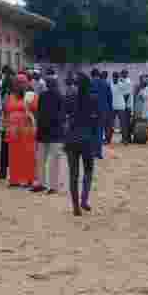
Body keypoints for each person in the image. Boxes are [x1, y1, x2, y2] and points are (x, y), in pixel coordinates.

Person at [64, 73, 99, 216]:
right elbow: (96, 122)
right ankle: (84, 200)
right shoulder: (93, 100)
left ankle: (75, 206)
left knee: (73, 174)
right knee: (88, 171)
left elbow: (65, 118)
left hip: (72, 140)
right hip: (87, 140)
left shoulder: (71, 98)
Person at [2, 73, 38, 188]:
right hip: (13, 131)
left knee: (28, 154)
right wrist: (6, 127)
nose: (20, 85)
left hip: (27, 130)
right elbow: (6, 112)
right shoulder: (10, 96)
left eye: (23, 83)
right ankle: (15, 179)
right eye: (18, 83)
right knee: (14, 155)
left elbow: (36, 112)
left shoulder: (31, 96)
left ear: (27, 84)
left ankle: (29, 179)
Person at [34, 74, 65, 194]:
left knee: (46, 159)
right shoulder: (50, 96)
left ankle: (49, 185)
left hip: (49, 132)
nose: (50, 85)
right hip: (51, 132)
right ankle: (46, 185)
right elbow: (61, 115)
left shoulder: (51, 96)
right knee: (46, 159)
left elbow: (40, 113)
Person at [92, 69, 113, 158]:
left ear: (92, 75)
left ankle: (93, 152)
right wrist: (109, 111)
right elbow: (110, 99)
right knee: (100, 131)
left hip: (93, 111)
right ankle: (99, 153)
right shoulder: (106, 84)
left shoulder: (90, 83)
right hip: (104, 111)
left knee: (93, 132)